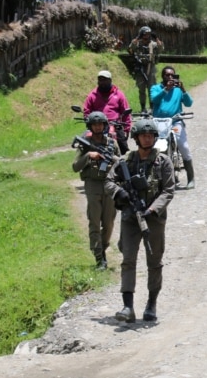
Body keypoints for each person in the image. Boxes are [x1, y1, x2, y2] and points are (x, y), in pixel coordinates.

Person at [105, 118, 175, 323]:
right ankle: (128, 307)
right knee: (128, 260)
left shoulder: (164, 162)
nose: (147, 139)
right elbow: (108, 181)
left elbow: (168, 190)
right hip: (129, 218)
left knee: (154, 261)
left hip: (153, 220)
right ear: (136, 138)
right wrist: (120, 193)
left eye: (151, 135)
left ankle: (151, 304)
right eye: (143, 136)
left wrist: (153, 210)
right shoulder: (125, 161)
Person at [72, 111, 121, 270]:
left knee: (109, 222)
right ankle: (99, 256)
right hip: (92, 185)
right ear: (90, 126)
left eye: (100, 124)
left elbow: (121, 164)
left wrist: (110, 158)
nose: (98, 127)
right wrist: (88, 156)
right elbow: (75, 166)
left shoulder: (111, 143)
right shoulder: (84, 144)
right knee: (94, 221)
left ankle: (104, 247)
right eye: (95, 124)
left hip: (109, 185)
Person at [150, 65, 195, 189]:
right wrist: (165, 89)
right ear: (162, 76)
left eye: (172, 75)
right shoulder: (156, 88)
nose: (170, 77)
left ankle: (191, 178)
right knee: (154, 146)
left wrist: (184, 89)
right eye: (167, 75)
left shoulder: (178, 90)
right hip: (159, 122)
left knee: (183, 145)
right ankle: (155, 176)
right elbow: (154, 100)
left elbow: (189, 103)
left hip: (175, 122)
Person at [83, 70, 132, 154]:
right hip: (97, 124)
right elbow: (86, 110)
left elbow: (125, 111)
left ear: (110, 80)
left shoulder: (119, 94)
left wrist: (127, 129)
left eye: (105, 80)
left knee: (123, 147)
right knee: (84, 141)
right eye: (100, 80)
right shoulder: (92, 95)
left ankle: (125, 163)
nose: (102, 82)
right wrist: (88, 119)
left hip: (115, 125)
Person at [128, 26, 163, 113]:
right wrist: (136, 39)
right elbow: (130, 49)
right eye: (144, 34)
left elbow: (161, 49)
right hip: (140, 69)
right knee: (141, 89)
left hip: (150, 68)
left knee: (152, 88)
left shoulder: (153, 44)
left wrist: (157, 39)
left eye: (148, 34)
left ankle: (152, 107)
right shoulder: (138, 43)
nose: (146, 36)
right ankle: (143, 108)